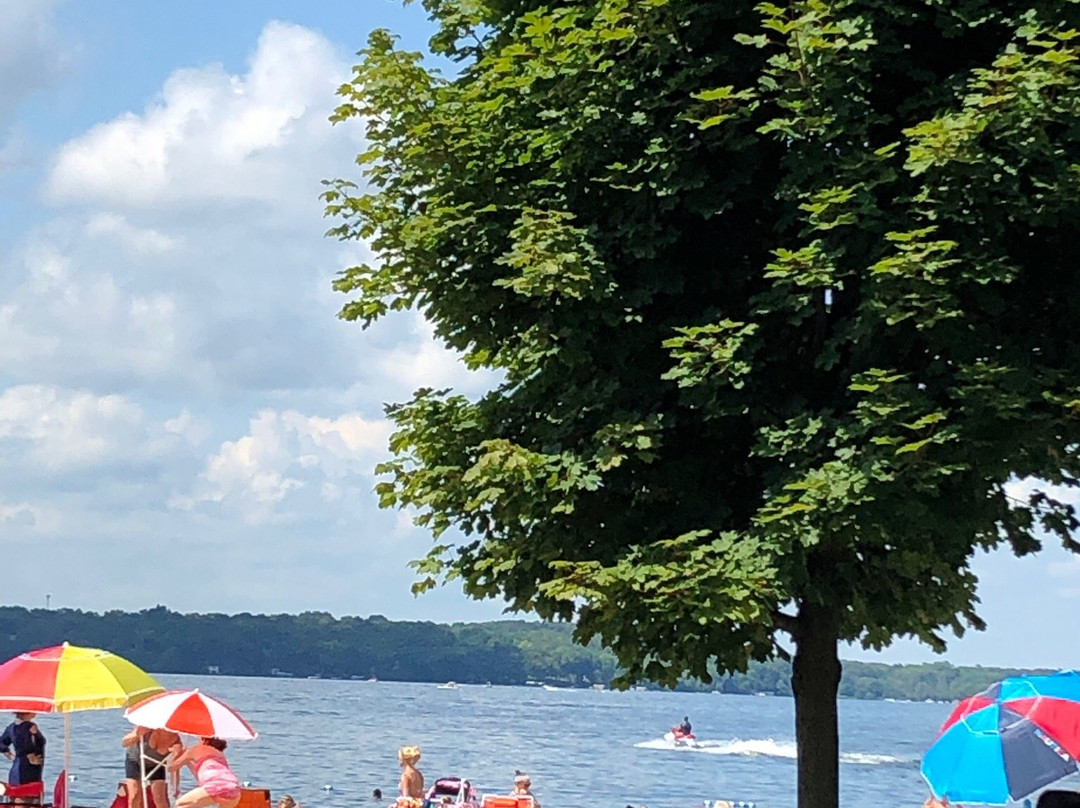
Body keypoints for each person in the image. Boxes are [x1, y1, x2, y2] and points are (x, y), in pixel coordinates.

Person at [168, 737, 241, 808]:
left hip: (216, 786)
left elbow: (171, 768)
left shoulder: (195, 750)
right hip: (234, 789)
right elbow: (202, 778)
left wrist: (177, 753)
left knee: (180, 804)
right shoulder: (220, 754)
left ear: (204, 740)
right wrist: (188, 762)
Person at [123, 726, 183, 808]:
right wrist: (136, 735)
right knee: (135, 796)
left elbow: (176, 767)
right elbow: (124, 743)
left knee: (160, 799)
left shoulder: (175, 740)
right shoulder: (147, 727)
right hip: (135, 761)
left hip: (157, 765)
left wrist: (175, 787)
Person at [0, 712, 46, 786]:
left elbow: (1, 743)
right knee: (29, 792)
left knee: (16, 791)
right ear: (26, 713)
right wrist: (35, 735)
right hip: (30, 767)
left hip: (18, 764)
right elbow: (29, 746)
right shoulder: (29, 726)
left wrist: (10, 755)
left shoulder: (12, 727)